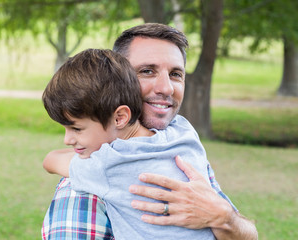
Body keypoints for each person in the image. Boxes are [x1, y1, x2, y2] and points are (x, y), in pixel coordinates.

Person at [42, 23, 258, 240]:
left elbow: (246, 235)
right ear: (118, 79)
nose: (166, 88)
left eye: (175, 74)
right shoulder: (182, 137)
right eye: (147, 71)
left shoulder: (179, 143)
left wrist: (224, 217)